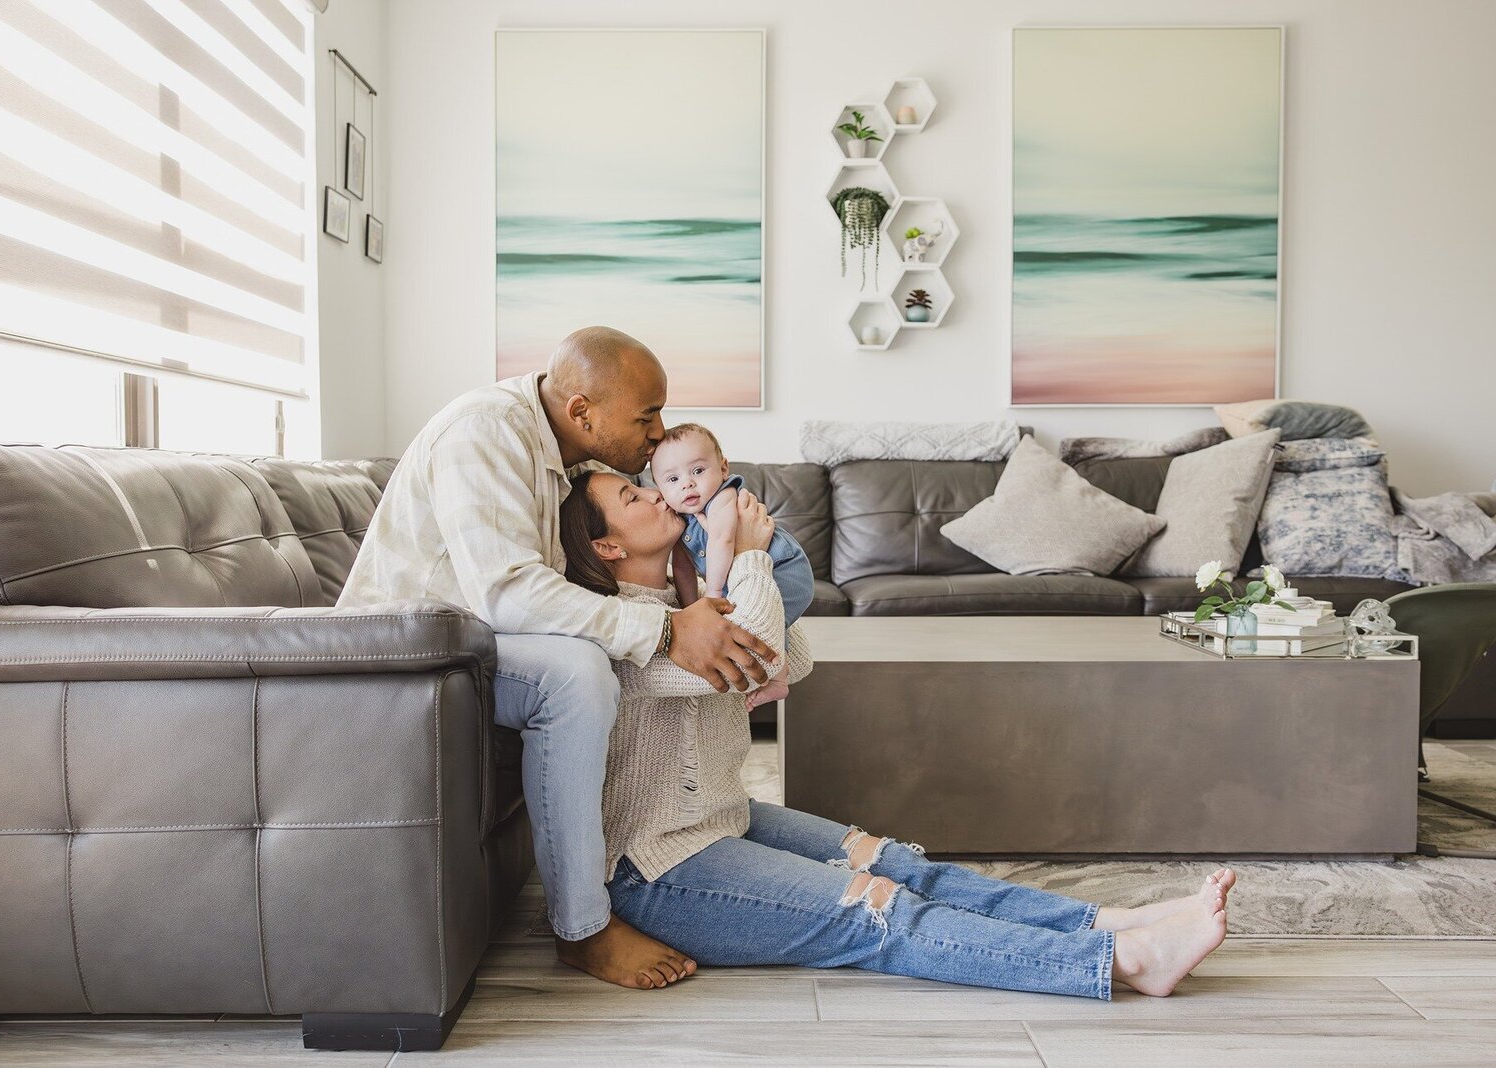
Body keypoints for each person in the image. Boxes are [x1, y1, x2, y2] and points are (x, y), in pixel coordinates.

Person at [559, 469, 1235, 999]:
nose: (655, 491)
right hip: (659, 868)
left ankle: (1104, 925)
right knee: (879, 910)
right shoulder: (627, 633)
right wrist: (749, 556)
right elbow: (756, 658)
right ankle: (1124, 962)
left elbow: (793, 660)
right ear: (607, 545)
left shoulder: (686, 605)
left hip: (720, 820)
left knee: (901, 866)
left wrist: (732, 567)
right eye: (632, 495)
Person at [338, 326, 782, 990]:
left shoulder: (574, 460)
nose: (659, 434)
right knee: (575, 674)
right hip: (409, 653)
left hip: (477, 638)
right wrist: (665, 632)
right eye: (645, 417)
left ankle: (671, 824)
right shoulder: (483, 434)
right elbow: (508, 592)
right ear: (582, 411)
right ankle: (583, 928)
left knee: (590, 651)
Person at [648, 422, 815, 710]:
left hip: (784, 570)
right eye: (672, 479)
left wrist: (712, 594)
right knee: (744, 624)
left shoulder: (724, 497)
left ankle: (778, 677)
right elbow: (684, 569)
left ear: (723, 469)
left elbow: (723, 540)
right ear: (660, 489)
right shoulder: (680, 517)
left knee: (760, 624)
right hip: (745, 578)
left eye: (698, 471)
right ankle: (777, 676)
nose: (687, 483)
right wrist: (691, 609)